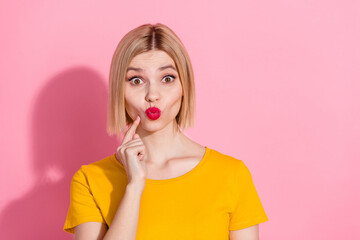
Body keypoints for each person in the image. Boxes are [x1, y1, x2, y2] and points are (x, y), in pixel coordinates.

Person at [63, 23, 269, 240]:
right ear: (119, 91)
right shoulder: (90, 180)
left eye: (167, 79)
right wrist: (134, 187)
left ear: (184, 87)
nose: (153, 94)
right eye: (136, 80)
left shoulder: (232, 175)